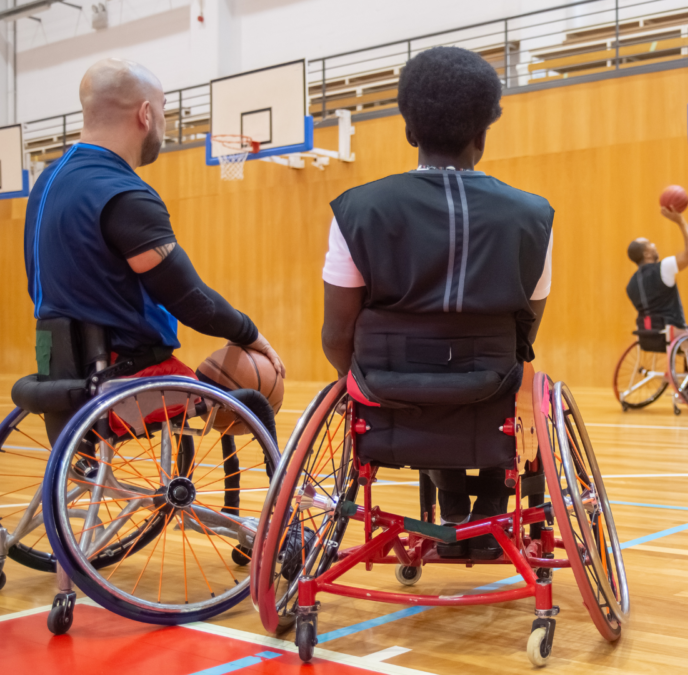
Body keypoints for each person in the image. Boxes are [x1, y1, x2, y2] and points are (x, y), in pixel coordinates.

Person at [320, 47, 553, 560]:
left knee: (413, 372)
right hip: (487, 386)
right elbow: (523, 337)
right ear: (482, 135)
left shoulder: (356, 210)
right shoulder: (533, 216)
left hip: (388, 397)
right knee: (497, 364)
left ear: (409, 129)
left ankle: (450, 495)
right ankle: (492, 494)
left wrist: (366, 387)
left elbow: (337, 337)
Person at [23, 58, 284, 441]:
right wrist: (251, 335)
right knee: (252, 398)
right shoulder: (124, 193)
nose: (164, 119)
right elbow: (192, 301)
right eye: (163, 108)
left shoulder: (46, 182)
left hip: (58, 370)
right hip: (124, 376)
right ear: (145, 114)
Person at [625, 207, 688, 334]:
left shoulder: (630, 285)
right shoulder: (664, 267)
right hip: (672, 332)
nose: (654, 245)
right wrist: (680, 221)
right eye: (650, 244)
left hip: (648, 334)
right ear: (646, 254)